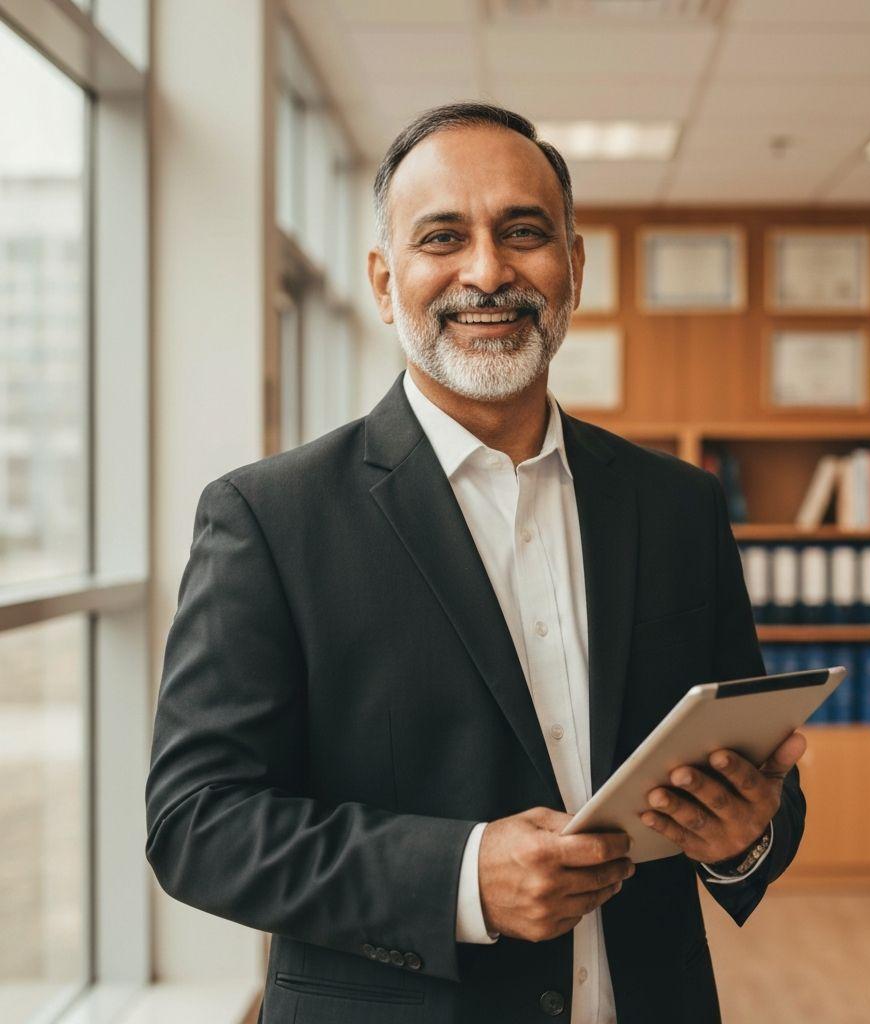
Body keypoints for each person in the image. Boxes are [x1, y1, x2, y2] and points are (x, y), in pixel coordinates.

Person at [145, 102, 807, 1024]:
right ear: (385, 283)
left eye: (524, 233)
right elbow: (197, 825)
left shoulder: (679, 506)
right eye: (443, 237)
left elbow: (757, 771)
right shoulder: (269, 517)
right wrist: (458, 878)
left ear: (573, 269)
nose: (488, 271)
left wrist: (744, 836)